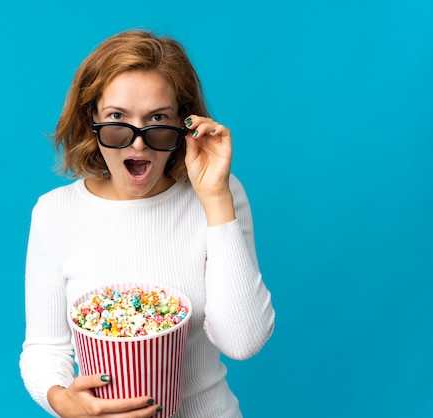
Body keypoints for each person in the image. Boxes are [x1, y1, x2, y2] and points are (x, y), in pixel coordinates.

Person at [19, 29, 275, 418]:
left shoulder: (220, 194)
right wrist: (62, 400)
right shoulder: (55, 213)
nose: (137, 144)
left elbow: (242, 342)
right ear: (91, 118)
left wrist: (216, 197)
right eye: (117, 119)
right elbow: (44, 348)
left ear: (183, 125)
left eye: (157, 119)